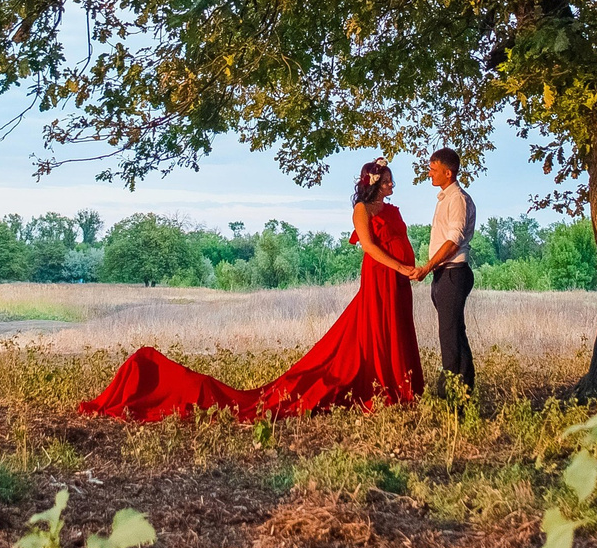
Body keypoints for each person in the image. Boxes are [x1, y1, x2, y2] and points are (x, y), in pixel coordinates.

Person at [77, 158, 425, 422]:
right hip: (381, 278)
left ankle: (399, 385)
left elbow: (399, 241)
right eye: (390, 179)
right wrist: (400, 266)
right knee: (371, 336)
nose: (394, 184)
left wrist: (411, 268)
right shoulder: (362, 210)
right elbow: (368, 246)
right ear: (375, 181)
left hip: (398, 283)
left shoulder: (392, 210)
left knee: (395, 331)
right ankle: (382, 387)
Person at [410, 147, 477, 395]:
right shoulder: (445, 198)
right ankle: (463, 390)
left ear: (448, 173)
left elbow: (454, 240)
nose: (430, 174)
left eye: (433, 170)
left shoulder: (457, 199)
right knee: (454, 332)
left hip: (453, 272)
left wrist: (427, 267)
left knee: (449, 336)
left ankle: (451, 393)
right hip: (444, 274)